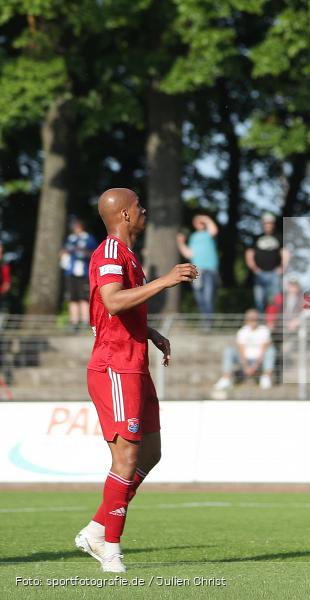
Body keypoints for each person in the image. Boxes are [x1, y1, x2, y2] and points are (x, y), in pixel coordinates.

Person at [73, 188, 198, 573]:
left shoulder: (126, 255)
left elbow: (117, 309)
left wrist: (150, 332)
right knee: (126, 459)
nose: (144, 210)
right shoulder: (110, 252)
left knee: (150, 453)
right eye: (139, 207)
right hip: (114, 368)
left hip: (134, 364)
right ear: (125, 215)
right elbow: (112, 300)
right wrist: (166, 280)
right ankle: (110, 548)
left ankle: (96, 527)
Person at [214, 309, 276, 391]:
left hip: (259, 359)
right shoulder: (242, 331)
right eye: (250, 319)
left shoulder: (264, 330)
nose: (253, 321)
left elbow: (263, 351)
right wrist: (246, 367)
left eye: (255, 318)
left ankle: (266, 377)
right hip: (244, 359)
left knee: (271, 350)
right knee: (229, 351)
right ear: (246, 320)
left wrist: (254, 367)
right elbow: (241, 351)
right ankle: (226, 379)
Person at [176, 214, 219, 329]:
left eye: (201, 222)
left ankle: (208, 323)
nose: (199, 223)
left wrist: (205, 218)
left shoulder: (208, 234)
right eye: (197, 222)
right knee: (199, 298)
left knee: (208, 297)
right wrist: (180, 243)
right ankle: (206, 321)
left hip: (209, 270)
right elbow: (188, 254)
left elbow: (214, 230)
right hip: (197, 270)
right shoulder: (193, 237)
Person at [246, 213, 288, 311]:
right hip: (259, 273)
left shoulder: (279, 237)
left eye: (270, 223)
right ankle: (261, 323)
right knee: (259, 300)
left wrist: (282, 267)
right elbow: (249, 253)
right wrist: (254, 268)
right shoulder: (256, 238)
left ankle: (276, 322)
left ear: (273, 224)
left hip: (274, 273)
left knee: (276, 300)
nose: (268, 226)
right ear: (263, 225)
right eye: (266, 223)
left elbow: (285, 253)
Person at [61, 219, 97, 330]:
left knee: (84, 297)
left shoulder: (88, 238)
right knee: (72, 298)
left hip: (84, 272)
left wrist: (82, 251)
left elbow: (94, 253)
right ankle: (74, 322)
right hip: (71, 272)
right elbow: (64, 251)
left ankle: (85, 321)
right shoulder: (70, 239)